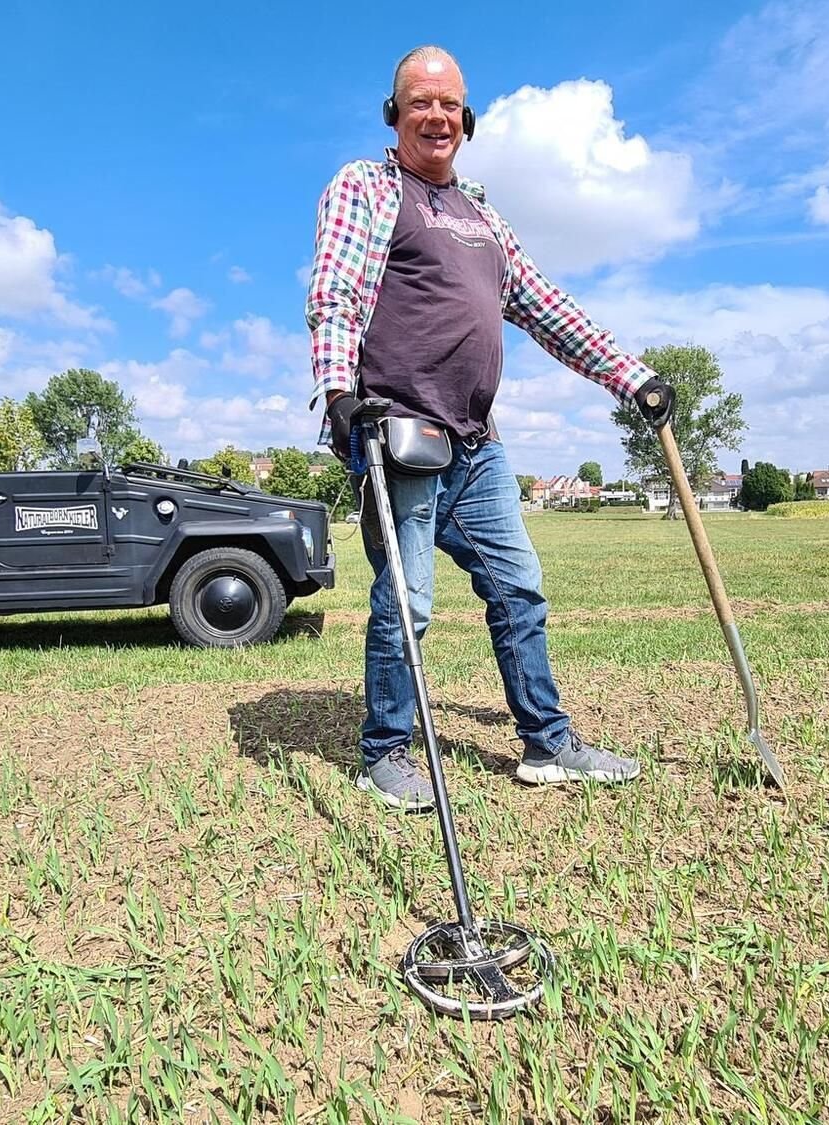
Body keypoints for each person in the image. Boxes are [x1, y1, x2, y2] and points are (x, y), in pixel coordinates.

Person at [304, 45, 675, 810]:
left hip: (477, 445)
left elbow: (547, 307)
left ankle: (549, 743)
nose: (436, 116)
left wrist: (630, 376)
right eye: (420, 103)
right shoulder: (367, 188)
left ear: (466, 119)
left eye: (449, 105)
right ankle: (386, 750)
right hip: (398, 436)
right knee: (411, 601)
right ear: (395, 115)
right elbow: (335, 292)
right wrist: (340, 392)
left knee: (519, 587)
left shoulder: (482, 215)